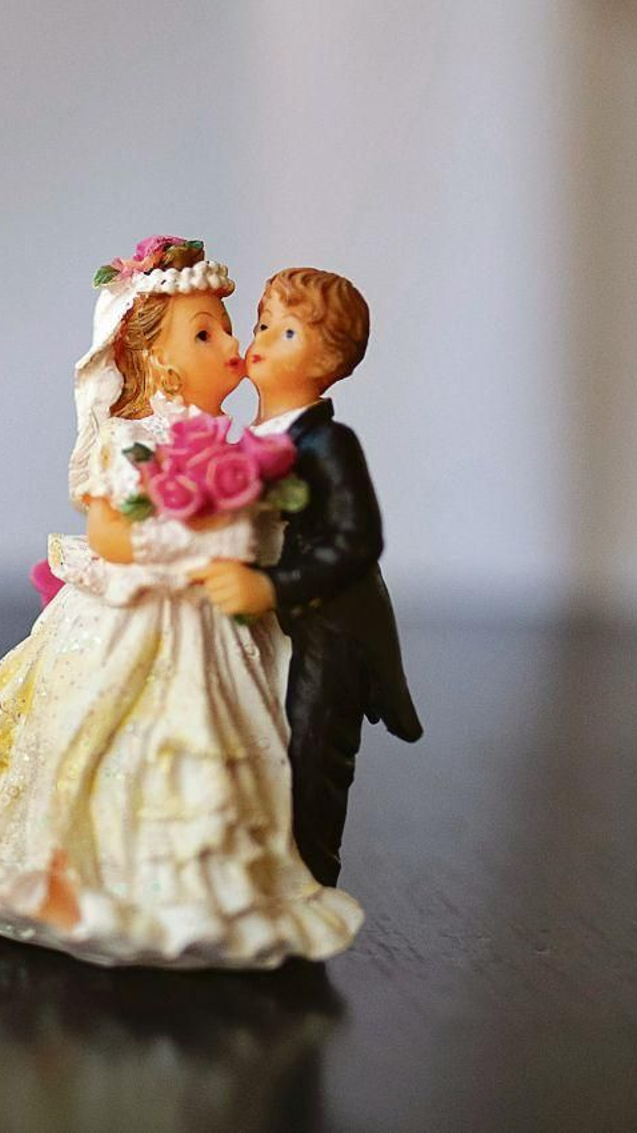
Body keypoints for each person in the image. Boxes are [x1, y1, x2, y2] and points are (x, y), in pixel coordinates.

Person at [0, 237, 362, 968]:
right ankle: (91, 875)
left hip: (212, 626)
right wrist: (195, 549)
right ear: (156, 359)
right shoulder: (128, 439)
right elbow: (111, 535)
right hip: (137, 614)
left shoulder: (231, 442)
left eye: (228, 326)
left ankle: (201, 883)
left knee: (217, 748)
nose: (234, 345)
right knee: (105, 733)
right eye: (206, 332)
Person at [191, 268, 421, 886]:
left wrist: (270, 587)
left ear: (330, 358)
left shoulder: (329, 446)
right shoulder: (242, 441)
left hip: (325, 631)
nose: (261, 337)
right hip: (261, 629)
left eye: (287, 330)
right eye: (263, 323)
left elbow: (357, 541)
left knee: (308, 756)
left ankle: (309, 887)